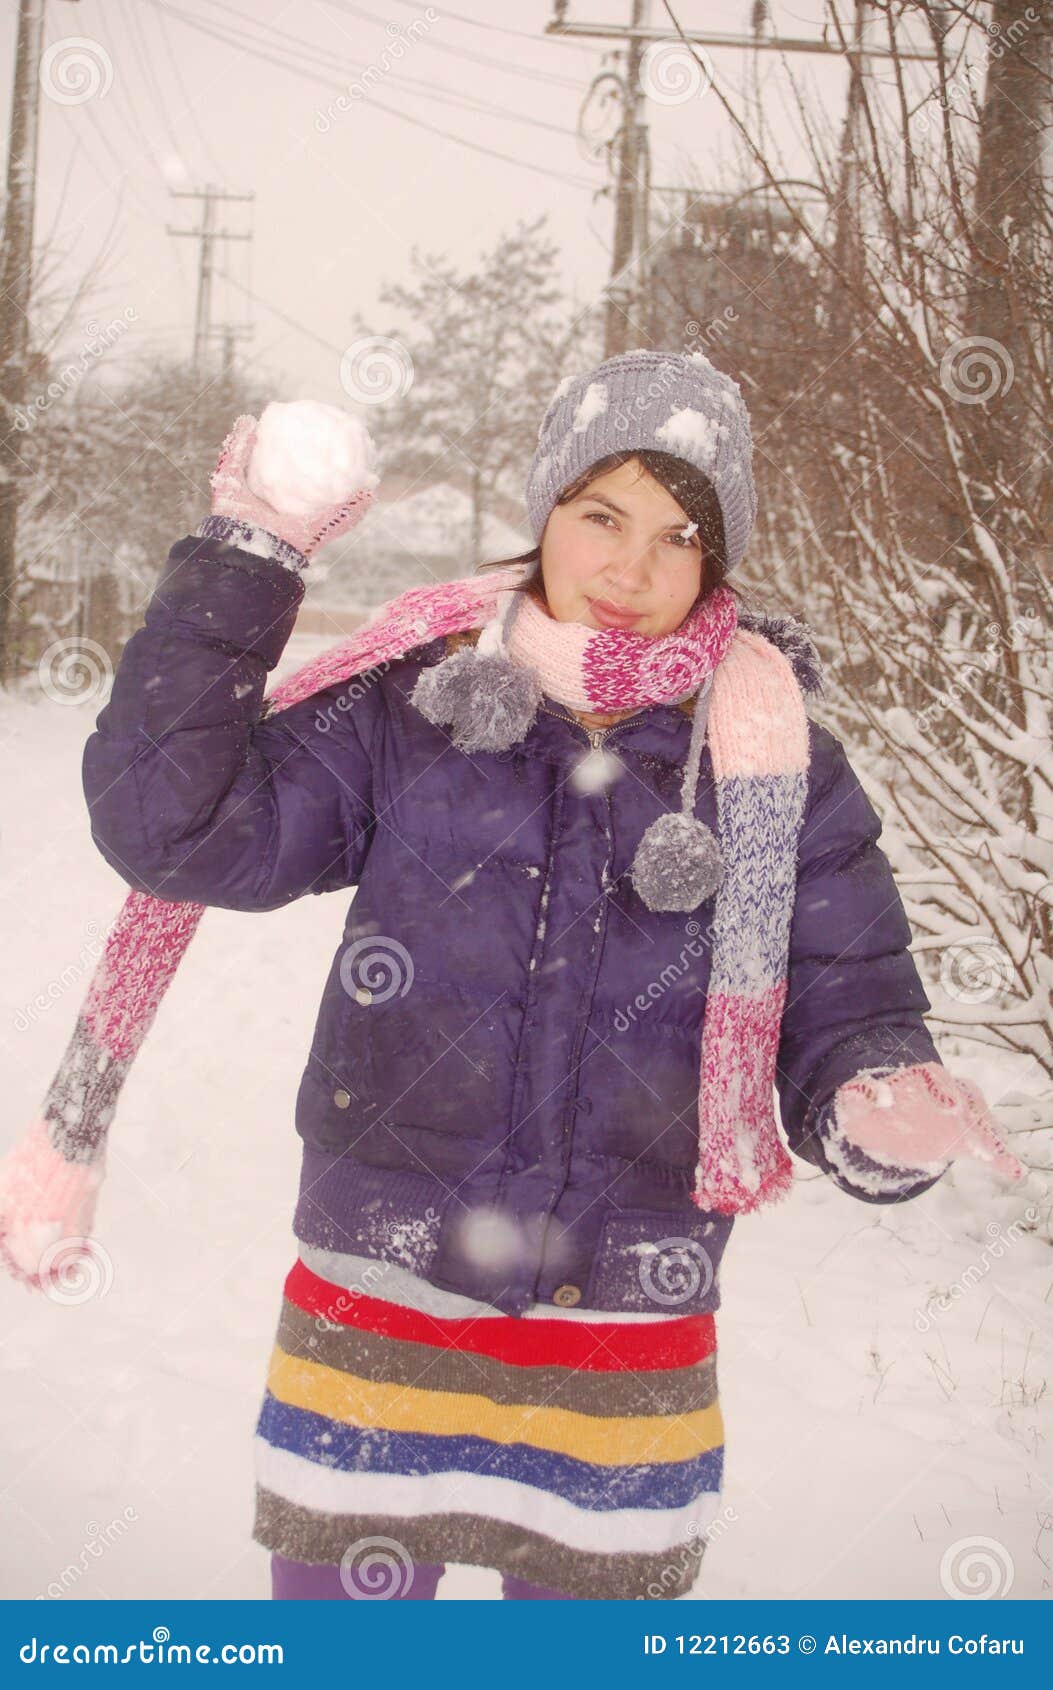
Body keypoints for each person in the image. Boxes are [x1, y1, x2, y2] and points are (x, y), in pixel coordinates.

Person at [0, 349, 1024, 1602]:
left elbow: (851, 1000)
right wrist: (248, 559)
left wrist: (876, 1096)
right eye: (601, 515)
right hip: (379, 1294)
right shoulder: (415, 704)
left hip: (628, 1325)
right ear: (546, 510)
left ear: (718, 560)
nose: (632, 568)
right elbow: (179, 824)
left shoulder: (781, 762)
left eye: (677, 535)